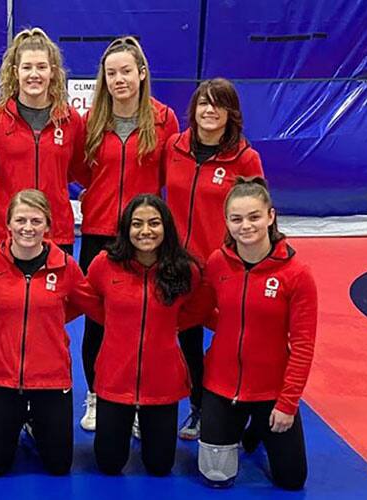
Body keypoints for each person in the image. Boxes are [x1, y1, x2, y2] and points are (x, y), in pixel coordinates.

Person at [184, 177, 316, 490]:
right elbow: (199, 312)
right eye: (237, 219)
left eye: (254, 216)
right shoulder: (217, 263)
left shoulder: (296, 274)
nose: (246, 226)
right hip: (220, 387)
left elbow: (303, 345)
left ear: (271, 216)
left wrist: (287, 403)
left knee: (292, 481)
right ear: (227, 222)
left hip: (271, 392)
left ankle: (258, 429)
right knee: (216, 477)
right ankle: (244, 428)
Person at [77, 36, 179, 431]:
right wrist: (98, 197)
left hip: (146, 235)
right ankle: (97, 396)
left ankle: (138, 402)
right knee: (97, 320)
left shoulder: (164, 118)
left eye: (126, 71)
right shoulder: (92, 121)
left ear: (142, 73)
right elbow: (82, 171)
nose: (119, 79)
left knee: (145, 321)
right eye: (111, 72)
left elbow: (171, 172)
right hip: (100, 232)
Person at [164, 78, 264, 440]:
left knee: (234, 340)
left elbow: (259, 212)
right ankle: (198, 407)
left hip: (227, 267)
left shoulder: (245, 157)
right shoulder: (174, 146)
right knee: (187, 338)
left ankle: (250, 407)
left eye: (217, 104)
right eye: (203, 103)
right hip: (181, 265)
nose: (209, 110)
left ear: (230, 113)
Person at [0, 189, 98, 476]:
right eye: (20, 220)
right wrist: (2, 323)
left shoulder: (66, 266)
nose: (27, 228)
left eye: (35, 221)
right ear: (8, 224)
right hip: (3, 376)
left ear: (47, 226)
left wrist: (51, 320)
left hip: (51, 378)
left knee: (59, 467)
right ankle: (21, 420)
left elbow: (88, 304)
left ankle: (33, 424)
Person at [84, 194, 197, 476]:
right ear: (126, 228)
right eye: (137, 224)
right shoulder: (104, 265)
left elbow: (198, 309)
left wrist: (168, 325)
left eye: (154, 223)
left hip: (163, 383)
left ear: (166, 227)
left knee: (160, 467)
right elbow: (87, 301)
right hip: (114, 380)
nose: (145, 231)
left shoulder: (186, 270)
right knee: (109, 464)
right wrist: (115, 322)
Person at [0, 27, 87, 255]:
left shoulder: (71, 120)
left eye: (41, 67)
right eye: (27, 67)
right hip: (7, 234)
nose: (34, 74)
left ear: (53, 72)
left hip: (57, 233)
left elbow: (77, 170)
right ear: (15, 71)